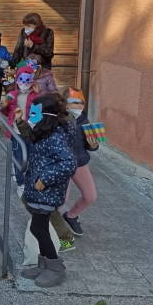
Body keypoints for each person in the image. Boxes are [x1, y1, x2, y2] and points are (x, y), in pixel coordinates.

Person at [16, 94, 76, 287]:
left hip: (47, 191)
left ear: (46, 115)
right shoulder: (45, 132)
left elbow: (69, 162)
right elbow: (32, 138)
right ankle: (44, 264)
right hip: (38, 189)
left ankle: (55, 267)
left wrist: (45, 178)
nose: (30, 117)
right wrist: (20, 123)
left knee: (38, 228)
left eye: (33, 114)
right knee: (38, 228)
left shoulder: (56, 136)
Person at [62, 87, 98, 237]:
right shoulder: (57, 120)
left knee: (90, 196)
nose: (78, 106)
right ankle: (60, 236)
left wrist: (93, 144)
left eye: (81, 102)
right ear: (64, 103)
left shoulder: (84, 120)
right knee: (60, 201)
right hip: (61, 164)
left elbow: (90, 146)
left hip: (79, 162)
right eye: (73, 102)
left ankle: (71, 216)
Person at [0, 66, 39, 191]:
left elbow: (39, 111)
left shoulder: (36, 96)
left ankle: (28, 178)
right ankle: (21, 183)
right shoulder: (12, 95)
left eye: (28, 80)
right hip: (16, 131)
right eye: (21, 79)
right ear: (17, 80)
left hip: (31, 131)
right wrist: (3, 106)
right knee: (18, 157)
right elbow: (4, 109)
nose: (24, 83)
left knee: (31, 156)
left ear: (32, 81)